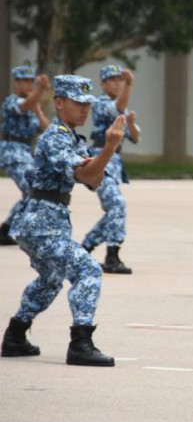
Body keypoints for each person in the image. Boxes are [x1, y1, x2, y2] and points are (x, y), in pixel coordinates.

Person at [1, 75, 123, 367]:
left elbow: (93, 178)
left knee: (50, 280)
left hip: (45, 223)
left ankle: (15, 336)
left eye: (87, 105)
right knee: (88, 270)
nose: (85, 110)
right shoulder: (55, 137)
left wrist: (107, 150)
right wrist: (108, 148)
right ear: (59, 103)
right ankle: (80, 343)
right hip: (41, 225)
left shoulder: (70, 137)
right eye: (77, 103)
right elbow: (83, 174)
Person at [80, 65, 139, 274]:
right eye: (112, 79)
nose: (117, 82)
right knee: (117, 206)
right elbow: (117, 107)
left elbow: (135, 137)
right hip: (100, 159)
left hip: (114, 161)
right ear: (103, 84)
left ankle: (84, 249)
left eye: (119, 80)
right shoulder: (100, 102)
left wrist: (130, 123)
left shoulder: (121, 109)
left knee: (115, 210)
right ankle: (111, 256)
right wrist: (130, 84)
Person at [0, 66, 50, 246]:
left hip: (27, 153)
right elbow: (25, 105)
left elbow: (45, 129)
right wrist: (40, 90)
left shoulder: (31, 106)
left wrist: (38, 109)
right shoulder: (11, 102)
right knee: (32, 191)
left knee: (34, 192)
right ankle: (8, 229)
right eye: (25, 81)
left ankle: (6, 229)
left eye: (31, 81)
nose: (29, 84)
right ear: (16, 82)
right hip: (12, 153)